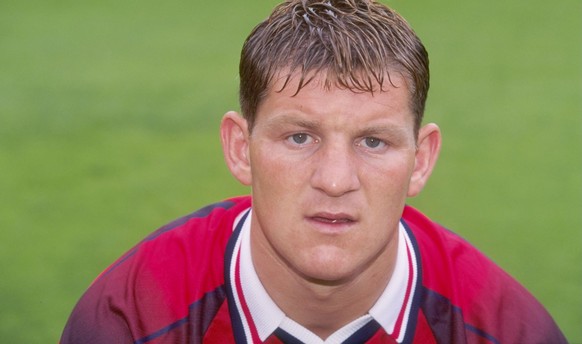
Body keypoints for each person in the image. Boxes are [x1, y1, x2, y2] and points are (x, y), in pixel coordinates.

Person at [61, 0, 567, 343]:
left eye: (374, 141)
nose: (334, 179)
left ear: (422, 159)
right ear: (241, 148)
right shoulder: (133, 316)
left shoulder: (505, 328)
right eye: (299, 137)